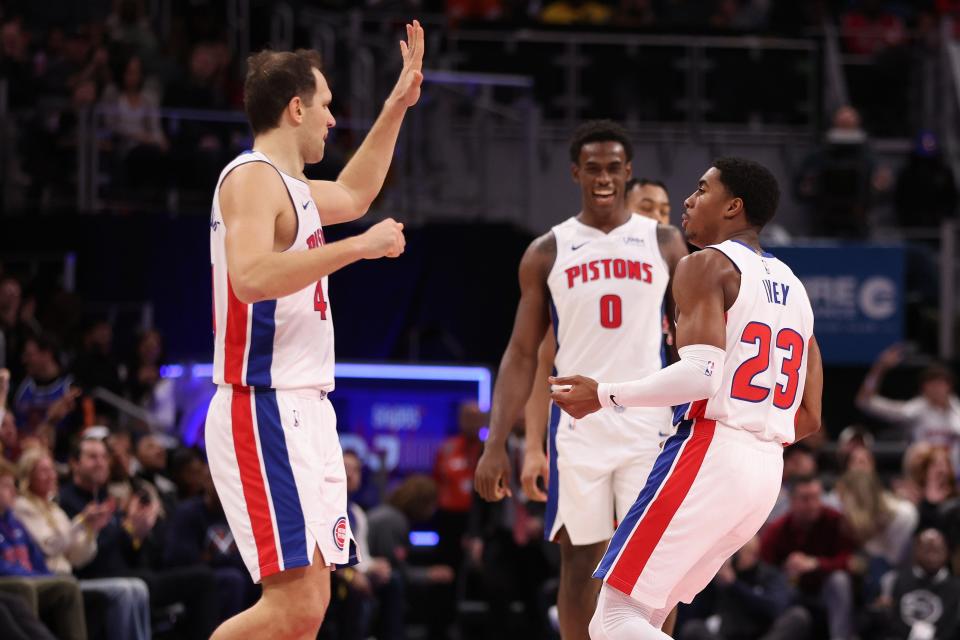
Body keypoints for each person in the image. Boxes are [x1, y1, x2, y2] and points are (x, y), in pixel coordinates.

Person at [203, 21, 423, 640]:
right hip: (262, 403)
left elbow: (354, 192)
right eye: (326, 106)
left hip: (303, 405)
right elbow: (249, 278)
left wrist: (396, 105)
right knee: (293, 608)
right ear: (296, 107)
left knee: (309, 610)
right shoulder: (249, 177)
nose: (331, 120)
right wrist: (357, 250)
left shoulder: (292, 188)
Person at [549, 157, 822, 639]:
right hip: (764, 473)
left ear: (733, 206)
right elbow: (811, 416)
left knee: (612, 620)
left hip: (711, 450)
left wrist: (604, 395)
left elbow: (702, 375)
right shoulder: (797, 291)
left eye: (702, 189)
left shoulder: (705, 264)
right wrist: (752, 435)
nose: (690, 200)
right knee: (646, 617)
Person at [474, 119, 688, 640]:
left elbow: (693, 341)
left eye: (614, 168)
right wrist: (497, 441)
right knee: (580, 566)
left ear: (628, 173)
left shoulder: (664, 243)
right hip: (577, 425)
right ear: (575, 173)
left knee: (652, 568)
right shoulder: (548, 250)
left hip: (648, 423)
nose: (604, 178)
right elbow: (523, 353)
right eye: (592, 168)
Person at [14, 446, 151, 640]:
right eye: (43, 471)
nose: (51, 475)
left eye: (52, 470)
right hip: (49, 580)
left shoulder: (54, 509)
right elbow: (49, 545)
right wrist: (81, 523)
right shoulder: (23, 506)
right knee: (124, 591)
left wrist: (91, 530)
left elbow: (77, 558)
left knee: (137, 587)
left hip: (68, 578)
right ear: (28, 475)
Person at [761, 475, 859, 640]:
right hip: (792, 594)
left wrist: (816, 564)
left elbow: (849, 561)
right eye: (806, 499)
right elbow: (763, 568)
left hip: (825, 591)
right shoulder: (777, 530)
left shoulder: (834, 520)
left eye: (816, 497)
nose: (813, 505)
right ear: (791, 501)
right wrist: (786, 568)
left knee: (839, 580)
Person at [0, 458, 87, 640]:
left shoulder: (13, 521)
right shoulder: (22, 510)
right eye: (7, 486)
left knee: (67, 585)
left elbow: (36, 558)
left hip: (28, 576)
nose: (13, 491)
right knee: (23, 587)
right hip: (13, 580)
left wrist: (47, 576)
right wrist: (35, 576)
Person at [856, 344, 960, 470]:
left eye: (941, 383)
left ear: (949, 386)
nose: (937, 389)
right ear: (924, 389)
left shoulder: (957, 410)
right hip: (922, 477)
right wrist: (880, 368)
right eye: (932, 384)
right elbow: (865, 402)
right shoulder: (914, 410)